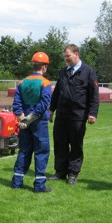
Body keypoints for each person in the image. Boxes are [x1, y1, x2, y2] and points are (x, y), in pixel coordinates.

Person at [48, 44, 99, 185]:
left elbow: (94, 95)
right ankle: (60, 172)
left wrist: (93, 113)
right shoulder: (63, 72)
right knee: (60, 144)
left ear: (76, 54)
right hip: (62, 115)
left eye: (68, 56)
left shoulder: (88, 71)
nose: (66, 59)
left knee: (76, 145)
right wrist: (51, 109)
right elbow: (57, 92)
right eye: (65, 56)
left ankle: (72, 174)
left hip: (78, 115)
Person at [11, 52, 52, 193]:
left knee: (24, 150)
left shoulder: (22, 82)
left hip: (24, 122)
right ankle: (39, 185)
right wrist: (32, 117)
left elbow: (17, 103)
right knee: (41, 152)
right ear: (44, 67)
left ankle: (17, 182)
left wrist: (22, 117)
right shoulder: (46, 83)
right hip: (39, 122)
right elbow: (44, 102)